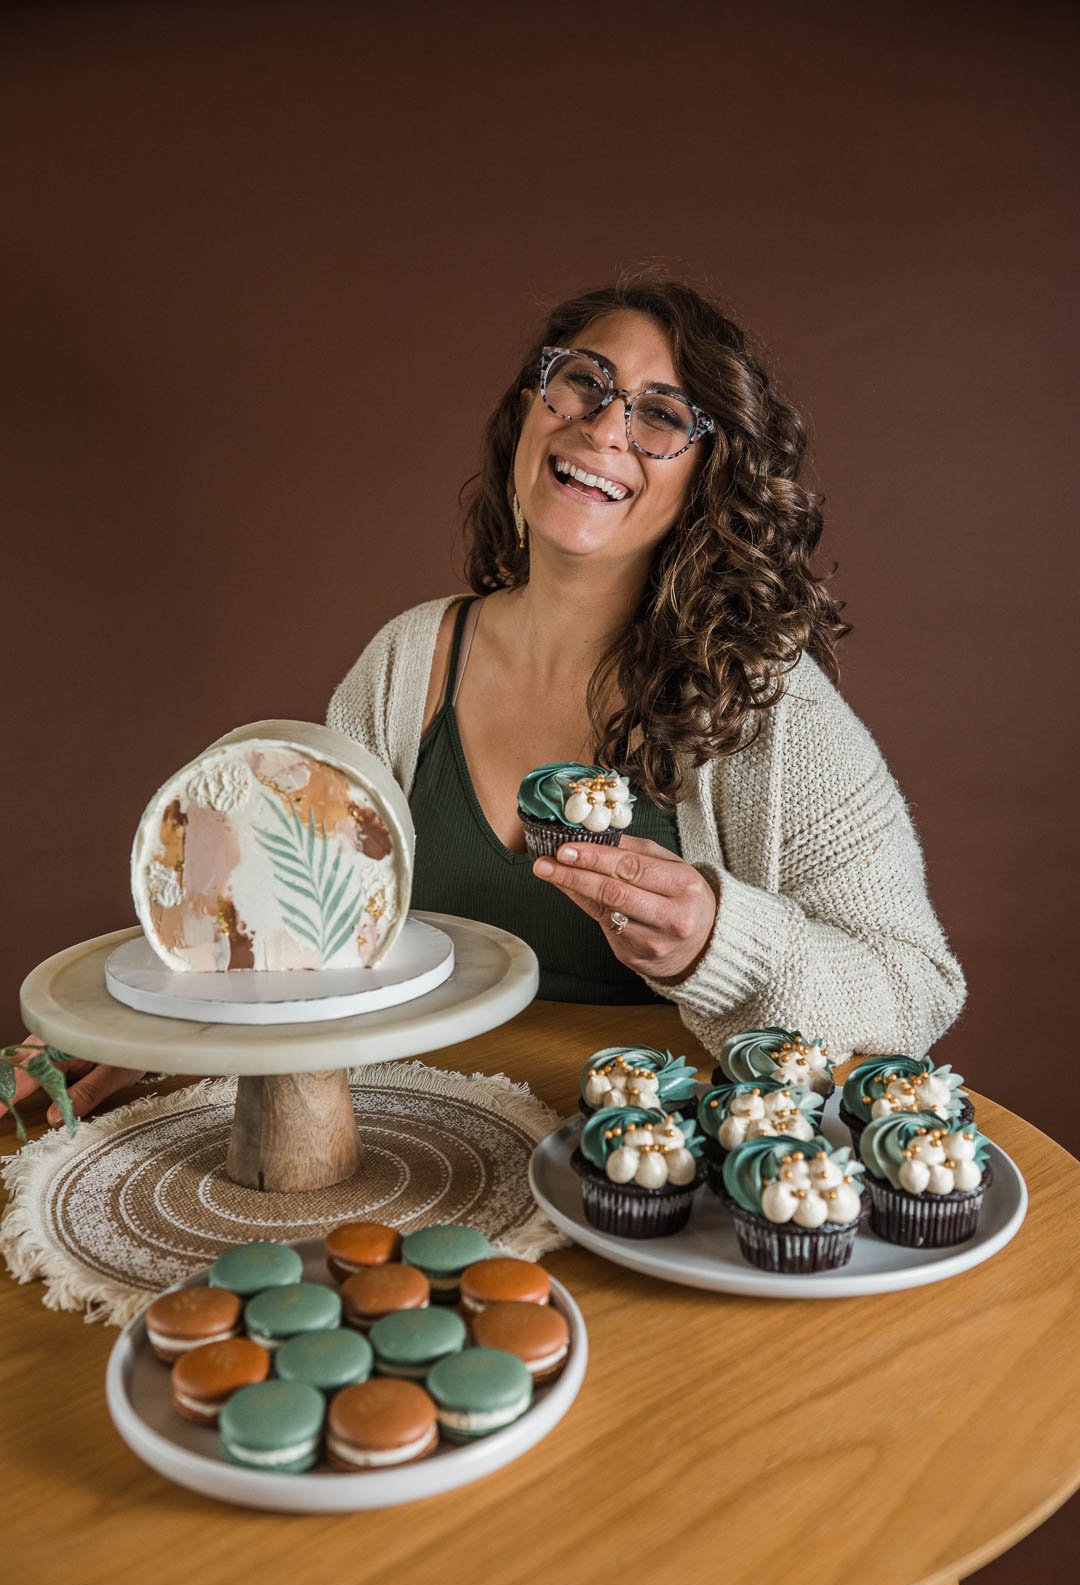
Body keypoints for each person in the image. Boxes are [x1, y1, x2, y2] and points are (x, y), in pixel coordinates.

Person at [0, 274, 963, 1129]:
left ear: (708, 480)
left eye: (663, 416)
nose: (604, 426)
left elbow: (914, 991)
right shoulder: (409, 662)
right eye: (583, 380)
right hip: (414, 1142)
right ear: (530, 410)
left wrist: (721, 941)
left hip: (650, 1184)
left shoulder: (764, 705)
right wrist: (173, 1027)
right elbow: (296, 922)